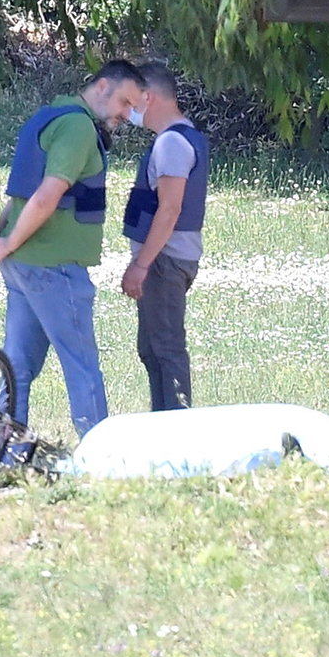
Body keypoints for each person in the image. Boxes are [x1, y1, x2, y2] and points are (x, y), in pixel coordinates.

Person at [0, 60, 146, 437]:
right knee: (82, 366)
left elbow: (22, 192)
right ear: (102, 86)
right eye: (124, 102)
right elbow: (47, 195)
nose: (126, 114)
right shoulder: (77, 128)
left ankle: (4, 446)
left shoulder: (51, 113)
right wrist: (6, 240)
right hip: (53, 267)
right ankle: (99, 455)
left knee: (17, 364)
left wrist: (3, 233)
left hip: (24, 263)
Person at [120, 62, 209, 411]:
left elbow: (169, 210)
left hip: (164, 261)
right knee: (152, 348)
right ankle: (163, 423)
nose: (128, 110)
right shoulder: (179, 138)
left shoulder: (172, 143)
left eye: (132, 100)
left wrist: (141, 265)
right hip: (164, 260)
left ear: (149, 97)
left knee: (167, 348)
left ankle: (177, 427)